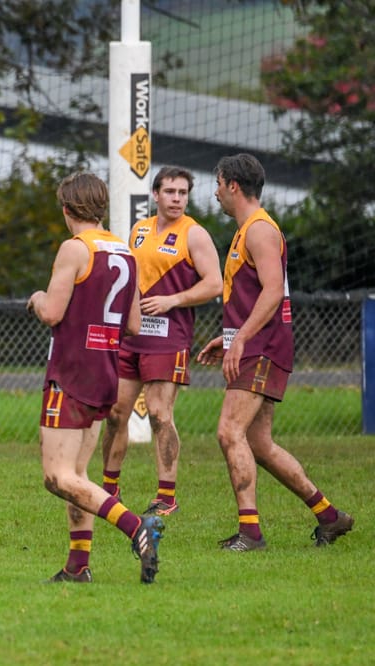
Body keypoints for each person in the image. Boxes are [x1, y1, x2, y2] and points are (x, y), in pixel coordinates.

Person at [196, 153, 354, 552]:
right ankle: (329, 516)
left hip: (263, 347)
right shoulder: (246, 229)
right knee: (260, 444)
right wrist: (229, 336)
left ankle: (251, 533)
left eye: (217, 183)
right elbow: (253, 296)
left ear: (233, 185)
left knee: (228, 432)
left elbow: (271, 291)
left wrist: (244, 339)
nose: (214, 192)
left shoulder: (260, 230)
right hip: (255, 343)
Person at [27, 172, 163, 584]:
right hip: (105, 370)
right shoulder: (125, 251)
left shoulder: (74, 249)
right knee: (80, 476)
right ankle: (78, 565)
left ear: (67, 210)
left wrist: (35, 300)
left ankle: (137, 527)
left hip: (71, 372)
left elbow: (51, 312)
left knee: (58, 477)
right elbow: (135, 324)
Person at [100, 166, 223, 515]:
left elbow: (215, 284)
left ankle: (167, 497)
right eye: (170, 192)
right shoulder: (139, 230)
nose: (176, 199)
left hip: (169, 339)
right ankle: (110, 490)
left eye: (183, 193)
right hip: (132, 337)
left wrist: (174, 300)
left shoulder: (194, 234)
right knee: (114, 413)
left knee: (158, 413)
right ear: (155, 195)